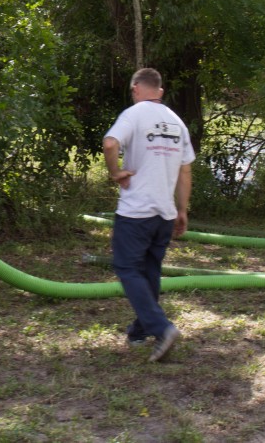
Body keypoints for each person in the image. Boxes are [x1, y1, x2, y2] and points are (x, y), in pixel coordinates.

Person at [103, 67, 195, 363]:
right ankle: (139, 332)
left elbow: (109, 143)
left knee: (127, 268)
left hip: (136, 211)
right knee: (150, 271)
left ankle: (162, 328)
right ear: (160, 90)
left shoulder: (134, 113)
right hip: (164, 213)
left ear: (135, 89)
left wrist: (115, 172)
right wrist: (181, 210)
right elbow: (185, 170)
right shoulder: (177, 122)